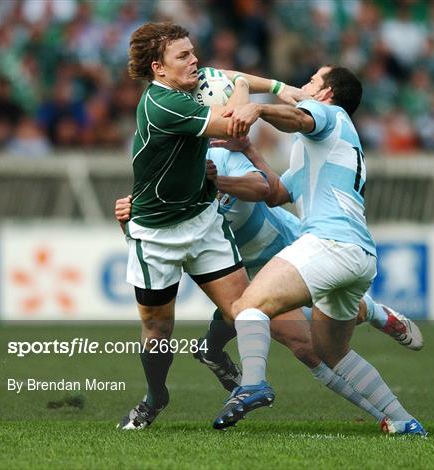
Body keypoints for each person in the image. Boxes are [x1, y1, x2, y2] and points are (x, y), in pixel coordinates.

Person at [115, 135, 423, 430]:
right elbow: (152, 240)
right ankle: (386, 416)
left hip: (289, 245)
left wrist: (216, 182)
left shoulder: (220, 156)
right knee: (305, 346)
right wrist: (129, 221)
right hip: (244, 270)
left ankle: (374, 312)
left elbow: (263, 187)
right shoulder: (158, 184)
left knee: (336, 319)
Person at [212, 65, 427, 436]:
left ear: (326, 93)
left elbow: (297, 118)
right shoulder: (319, 147)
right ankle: (404, 420)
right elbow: (278, 193)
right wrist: (249, 148)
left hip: (329, 243)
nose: (303, 85)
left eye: (312, 80)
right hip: (358, 256)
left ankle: (253, 384)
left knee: (247, 307)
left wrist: (259, 108)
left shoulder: (330, 114)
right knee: (332, 353)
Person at [118, 22, 305, 430]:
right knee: (157, 329)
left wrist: (274, 87)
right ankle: (155, 396)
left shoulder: (190, 87)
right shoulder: (163, 103)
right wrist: (246, 90)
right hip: (157, 234)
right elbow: (236, 121)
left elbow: (231, 80)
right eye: (182, 56)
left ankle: (242, 377)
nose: (194, 60)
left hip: (203, 223)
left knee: (246, 308)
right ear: (159, 68)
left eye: (193, 52)